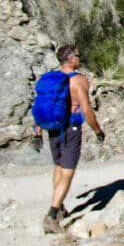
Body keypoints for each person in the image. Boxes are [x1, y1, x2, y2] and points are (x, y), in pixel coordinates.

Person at [35, 43, 105, 233]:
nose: (80, 58)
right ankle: (52, 214)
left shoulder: (52, 79)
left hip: (53, 128)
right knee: (68, 171)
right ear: (71, 58)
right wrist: (97, 130)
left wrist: (37, 131)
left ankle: (60, 207)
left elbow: (41, 105)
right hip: (71, 128)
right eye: (78, 55)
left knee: (58, 167)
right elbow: (86, 109)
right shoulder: (78, 80)